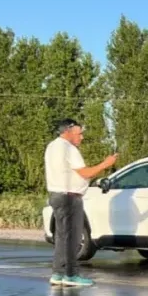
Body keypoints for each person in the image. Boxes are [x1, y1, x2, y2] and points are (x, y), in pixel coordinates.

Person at [45, 119, 117, 287]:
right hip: (70, 198)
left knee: (62, 237)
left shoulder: (52, 147)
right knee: (73, 238)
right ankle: (70, 275)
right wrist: (106, 164)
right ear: (68, 131)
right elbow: (85, 173)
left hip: (56, 195)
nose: (82, 137)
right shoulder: (69, 148)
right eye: (79, 133)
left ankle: (58, 273)